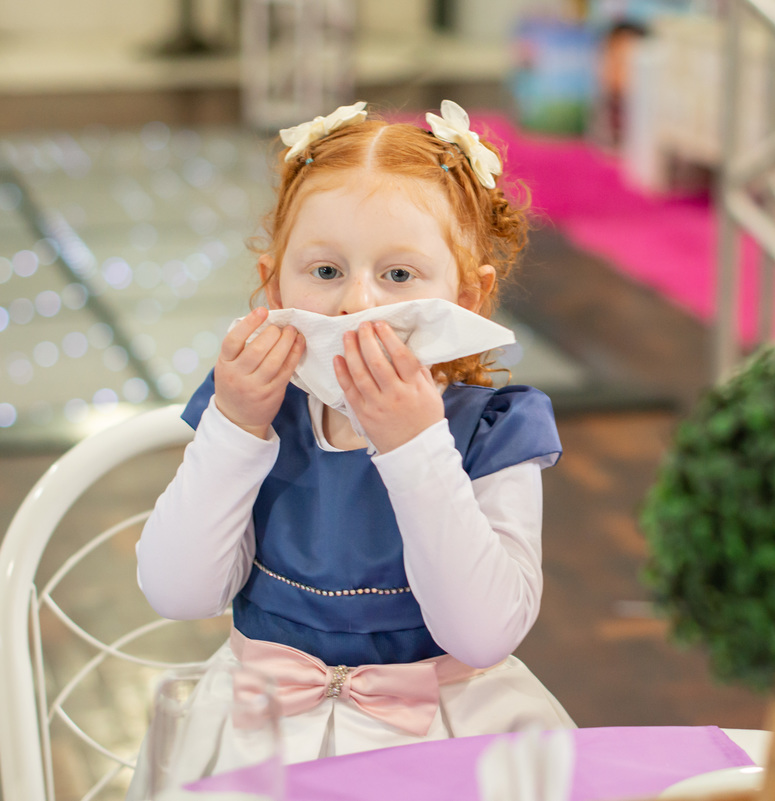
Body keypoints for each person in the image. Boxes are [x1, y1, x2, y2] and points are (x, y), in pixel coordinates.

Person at [133, 100, 574, 769]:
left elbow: (483, 634)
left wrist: (416, 446)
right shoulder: (258, 412)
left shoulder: (494, 430)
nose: (356, 303)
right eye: (326, 271)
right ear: (271, 282)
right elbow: (178, 591)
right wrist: (233, 426)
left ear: (469, 297)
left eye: (398, 275)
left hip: (447, 739)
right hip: (256, 738)